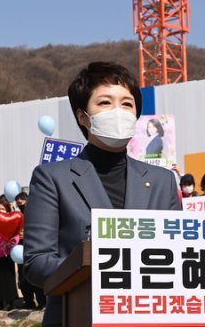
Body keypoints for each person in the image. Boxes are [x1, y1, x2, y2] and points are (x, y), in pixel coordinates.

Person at [24, 62, 181, 327]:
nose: (118, 112)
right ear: (82, 116)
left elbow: (179, 251)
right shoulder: (52, 178)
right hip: (76, 316)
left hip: (146, 317)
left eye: (127, 104)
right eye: (105, 102)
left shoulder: (162, 181)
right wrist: (102, 265)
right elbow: (36, 263)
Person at [15, 192, 45, 310]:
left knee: (35, 276)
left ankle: (42, 302)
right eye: (18, 203)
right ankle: (28, 301)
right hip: (20, 251)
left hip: (34, 248)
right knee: (23, 279)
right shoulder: (17, 216)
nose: (20, 205)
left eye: (22, 202)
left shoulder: (35, 213)